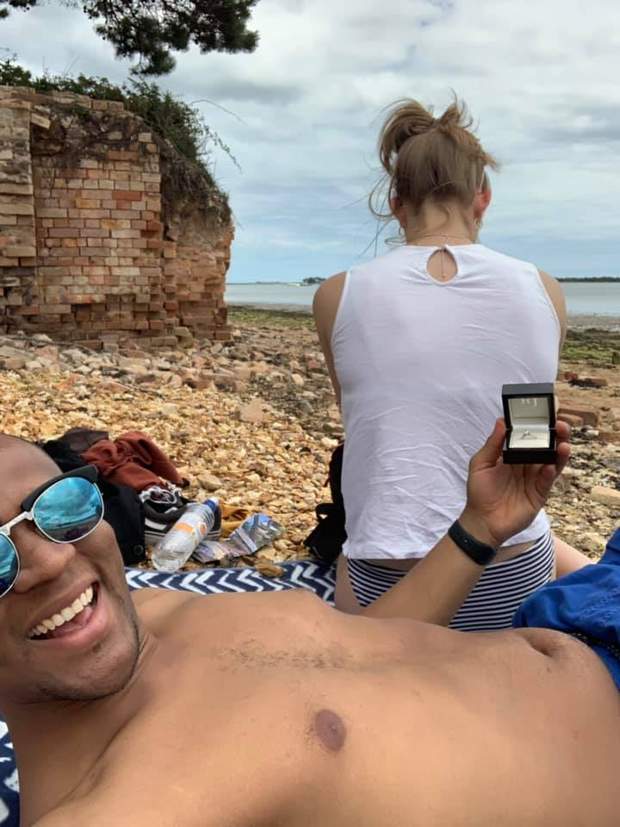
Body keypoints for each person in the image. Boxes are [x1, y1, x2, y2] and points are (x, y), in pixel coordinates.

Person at [2, 423, 620, 827]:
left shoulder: (144, 611)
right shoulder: (127, 802)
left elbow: (359, 650)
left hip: (575, 608)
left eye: (57, 509)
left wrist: (481, 527)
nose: (52, 561)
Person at [313, 96, 587, 628]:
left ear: (396, 202)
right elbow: (527, 430)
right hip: (514, 569)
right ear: (483, 198)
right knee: (536, 520)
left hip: (389, 587)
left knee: (347, 556)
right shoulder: (544, 288)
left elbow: (362, 420)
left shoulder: (336, 295)